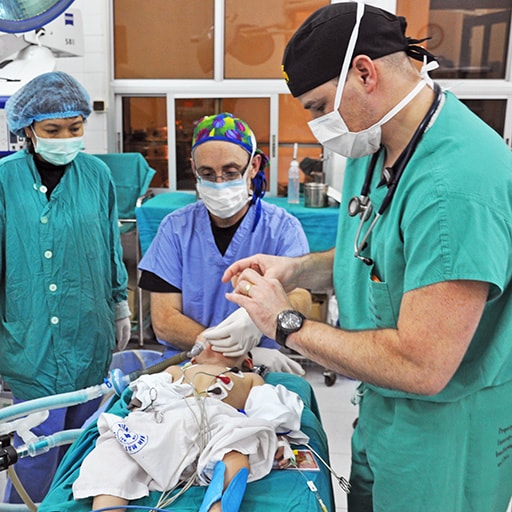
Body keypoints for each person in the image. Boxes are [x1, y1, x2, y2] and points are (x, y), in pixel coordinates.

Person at [220, 3, 512, 512]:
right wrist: (297, 270)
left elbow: (422, 366)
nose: (317, 124)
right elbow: (380, 253)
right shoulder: (378, 142)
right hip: (384, 406)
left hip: (444, 435)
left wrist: (285, 324)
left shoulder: (454, 186)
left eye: (318, 107)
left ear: (364, 72)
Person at [1, 71, 131, 502]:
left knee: (84, 449)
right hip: (30, 341)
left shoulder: (96, 175)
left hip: (88, 332)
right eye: (53, 130)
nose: (66, 138)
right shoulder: (4, 180)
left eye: (75, 128)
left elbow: (110, 245)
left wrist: (119, 304)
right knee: (34, 454)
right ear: (27, 130)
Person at [138, 112, 311, 374]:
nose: (219, 183)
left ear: (253, 166)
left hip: (259, 370)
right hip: (190, 364)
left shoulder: (281, 229)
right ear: (194, 169)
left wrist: (256, 325)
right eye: (207, 173)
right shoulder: (175, 229)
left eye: (230, 173)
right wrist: (236, 353)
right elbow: (164, 321)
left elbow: (301, 298)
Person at [72, 341, 307, 512]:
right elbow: (148, 387)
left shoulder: (248, 378)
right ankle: (109, 506)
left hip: (219, 417)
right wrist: (141, 405)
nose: (215, 343)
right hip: (170, 415)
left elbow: (268, 406)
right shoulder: (178, 370)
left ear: (247, 361)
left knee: (239, 447)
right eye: (209, 340)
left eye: (228, 342)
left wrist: (278, 436)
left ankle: (218, 504)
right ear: (193, 358)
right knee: (115, 452)